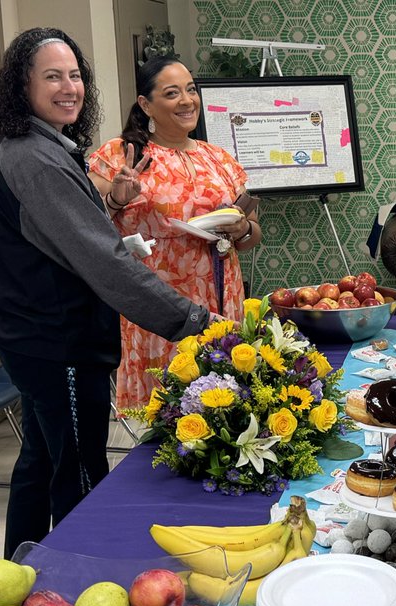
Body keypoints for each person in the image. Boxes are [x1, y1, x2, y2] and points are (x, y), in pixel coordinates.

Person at [0, 28, 214, 558]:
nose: (69, 88)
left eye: (75, 75)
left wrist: (108, 212)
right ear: (23, 85)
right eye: (52, 76)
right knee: (81, 467)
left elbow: (63, 237)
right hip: (53, 339)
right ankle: (84, 582)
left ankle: (21, 577)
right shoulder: (32, 156)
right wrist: (195, 322)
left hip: (38, 335)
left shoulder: (43, 145)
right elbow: (100, 260)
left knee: (41, 458)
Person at [88, 56, 259, 410]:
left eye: (191, 90)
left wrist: (242, 227)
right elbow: (85, 226)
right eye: (172, 93)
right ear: (146, 104)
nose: (187, 100)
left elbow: (253, 234)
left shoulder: (220, 158)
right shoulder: (121, 154)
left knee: (224, 409)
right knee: (168, 411)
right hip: (158, 301)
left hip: (221, 294)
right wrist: (117, 199)